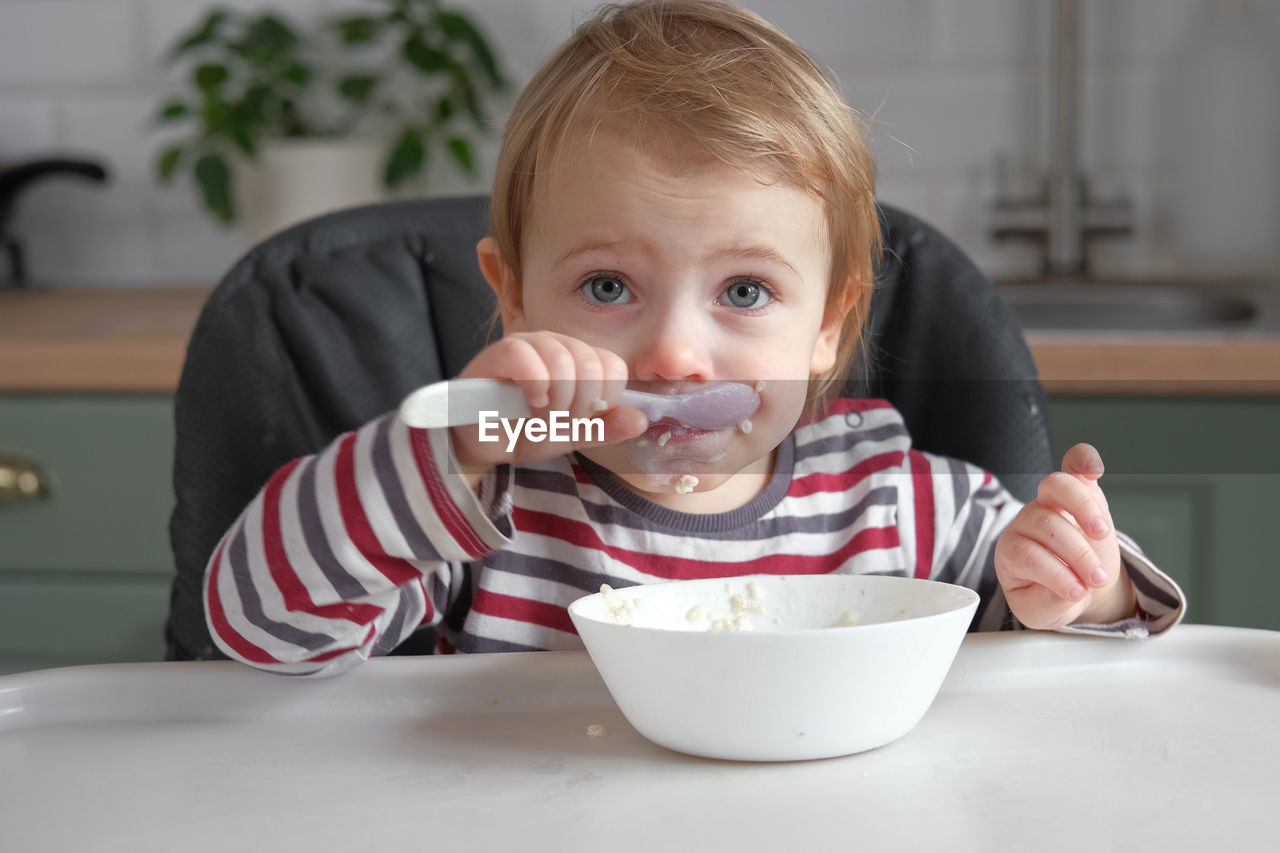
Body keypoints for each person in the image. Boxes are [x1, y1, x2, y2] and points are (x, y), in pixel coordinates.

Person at [203, 0, 1183, 676]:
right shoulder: (489, 511)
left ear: (828, 321)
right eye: (605, 285)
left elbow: (1083, 671)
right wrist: (450, 449)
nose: (673, 354)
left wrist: (1081, 591)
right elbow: (257, 625)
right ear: (510, 300)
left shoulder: (901, 510)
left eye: (744, 290)